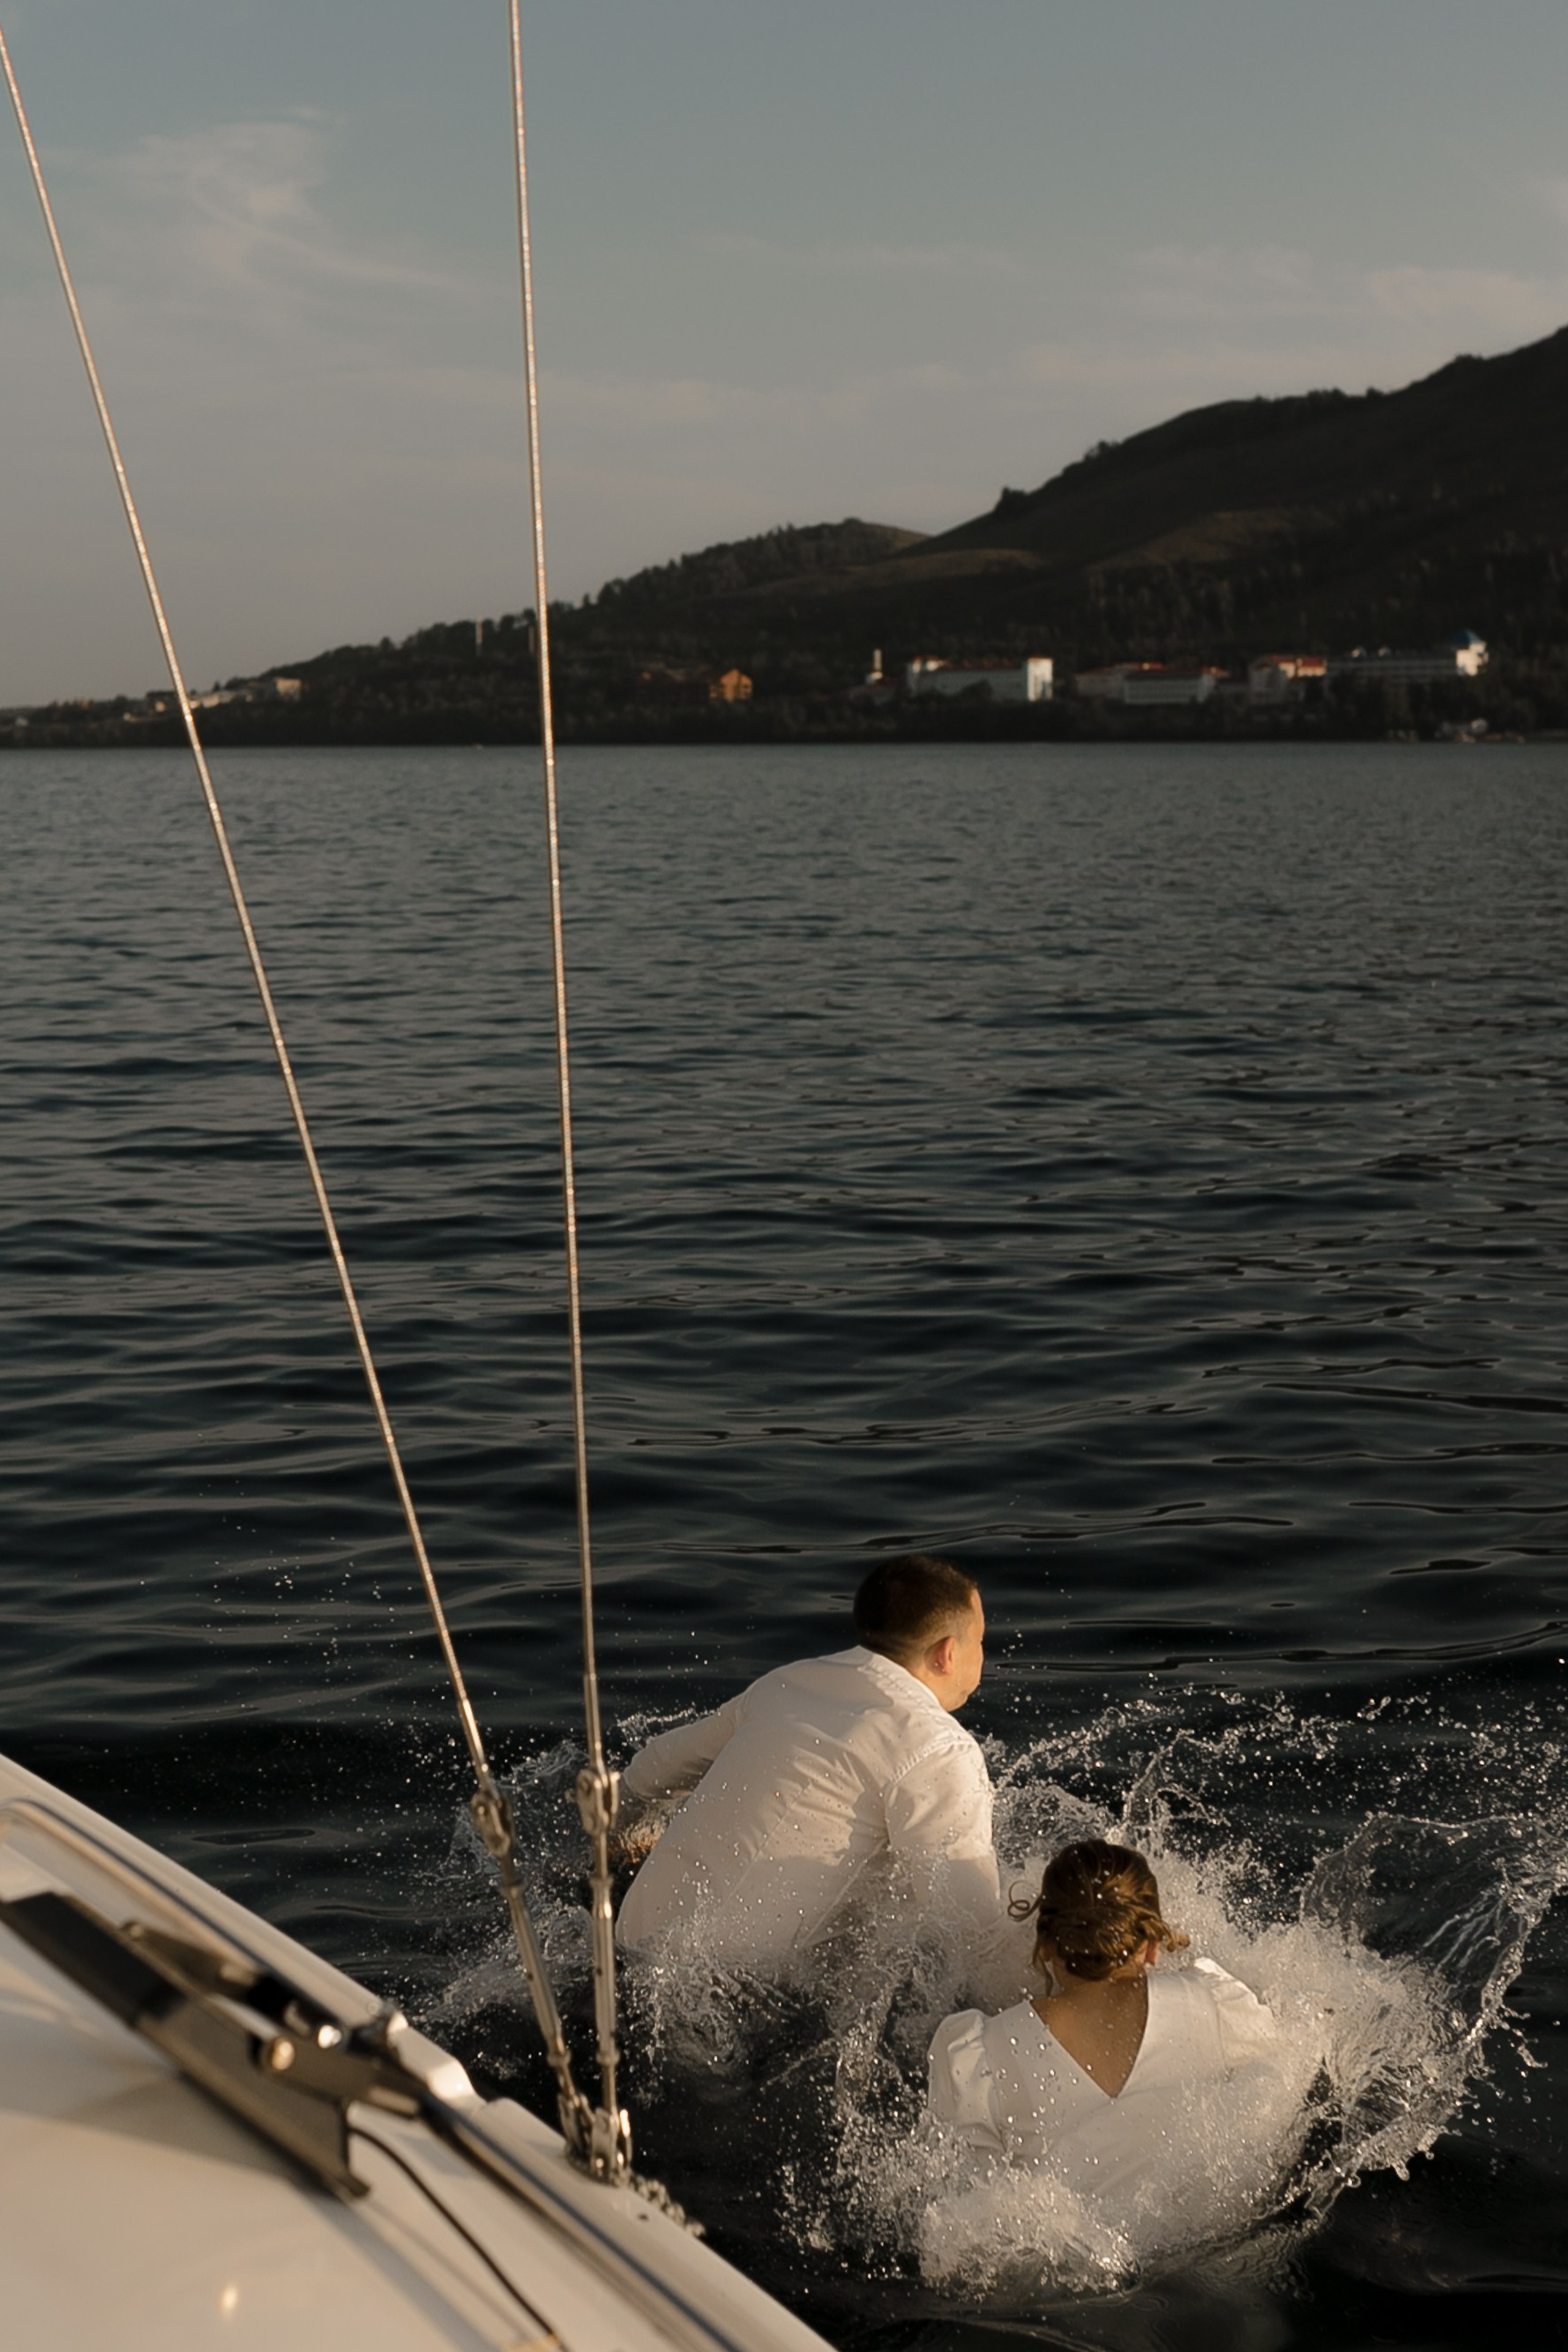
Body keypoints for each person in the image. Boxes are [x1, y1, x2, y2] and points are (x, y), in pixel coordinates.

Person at [615, 1554, 1018, 1981]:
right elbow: (971, 1937)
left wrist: (629, 1840)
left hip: (625, 1937)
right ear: (947, 1654)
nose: (983, 1655)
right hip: (729, 1992)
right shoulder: (938, 1746)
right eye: (981, 1641)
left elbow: (649, 1772)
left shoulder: (787, 1682)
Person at [924, 1839, 1295, 2266]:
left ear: (1045, 1946)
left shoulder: (979, 2053)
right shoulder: (1216, 2003)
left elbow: (966, 2219)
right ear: (1152, 1944)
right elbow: (1280, 2101)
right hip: (1220, 2268)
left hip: (1069, 2289)